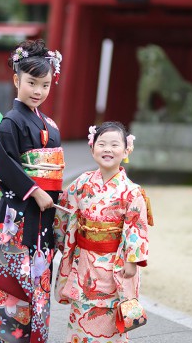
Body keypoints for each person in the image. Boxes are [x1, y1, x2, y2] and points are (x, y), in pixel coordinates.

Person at [0, 39, 64, 343]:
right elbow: (3, 166)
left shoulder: (51, 125)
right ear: (17, 80)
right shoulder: (12, 121)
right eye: (31, 83)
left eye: (44, 84)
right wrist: (36, 192)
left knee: (38, 288)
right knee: (15, 293)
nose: (38, 91)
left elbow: (54, 173)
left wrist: (54, 197)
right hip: (20, 216)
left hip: (42, 221)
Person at [54, 121, 152, 343]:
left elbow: (136, 226)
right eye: (102, 144)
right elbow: (64, 210)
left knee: (110, 314)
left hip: (113, 263)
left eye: (115, 144)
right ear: (92, 148)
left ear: (127, 150)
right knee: (81, 312)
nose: (107, 149)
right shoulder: (82, 183)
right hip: (84, 261)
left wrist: (132, 259)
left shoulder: (132, 191)